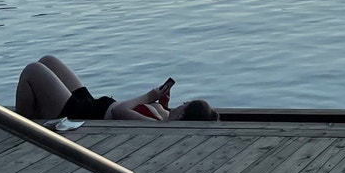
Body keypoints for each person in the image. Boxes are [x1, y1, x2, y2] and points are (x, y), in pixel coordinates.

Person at [14, 56, 218, 122]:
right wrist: (162, 103)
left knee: (32, 71)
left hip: (81, 113)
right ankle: (39, 111)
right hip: (94, 102)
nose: (181, 103)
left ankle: (22, 125)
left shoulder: (156, 125)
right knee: (48, 61)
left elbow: (120, 111)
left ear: (182, 115)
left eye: (184, 104)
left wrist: (148, 96)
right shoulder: (164, 115)